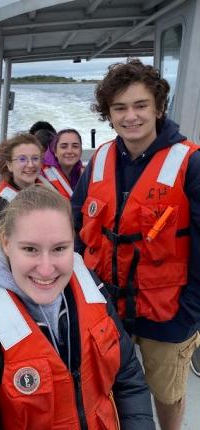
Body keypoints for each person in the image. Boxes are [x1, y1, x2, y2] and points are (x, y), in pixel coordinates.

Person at [0, 185, 155, 430]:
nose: (46, 269)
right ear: (6, 243)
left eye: (59, 248)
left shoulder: (89, 285)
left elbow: (128, 376)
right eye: (30, 249)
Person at [71, 58, 200, 430]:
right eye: (120, 108)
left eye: (141, 105)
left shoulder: (191, 164)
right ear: (108, 114)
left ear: (159, 107)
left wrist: (189, 312)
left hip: (168, 311)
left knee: (167, 392)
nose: (131, 117)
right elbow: (77, 228)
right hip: (106, 305)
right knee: (109, 387)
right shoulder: (98, 161)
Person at [0, 132, 43, 228]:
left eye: (35, 158)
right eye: (22, 159)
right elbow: (2, 241)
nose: (30, 165)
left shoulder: (46, 189)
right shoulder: (1, 203)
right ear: (10, 165)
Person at [42, 128, 84, 199]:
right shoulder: (41, 175)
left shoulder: (85, 174)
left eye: (75, 146)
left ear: (81, 151)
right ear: (55, 151)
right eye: (64, 147)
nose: (70, 151)